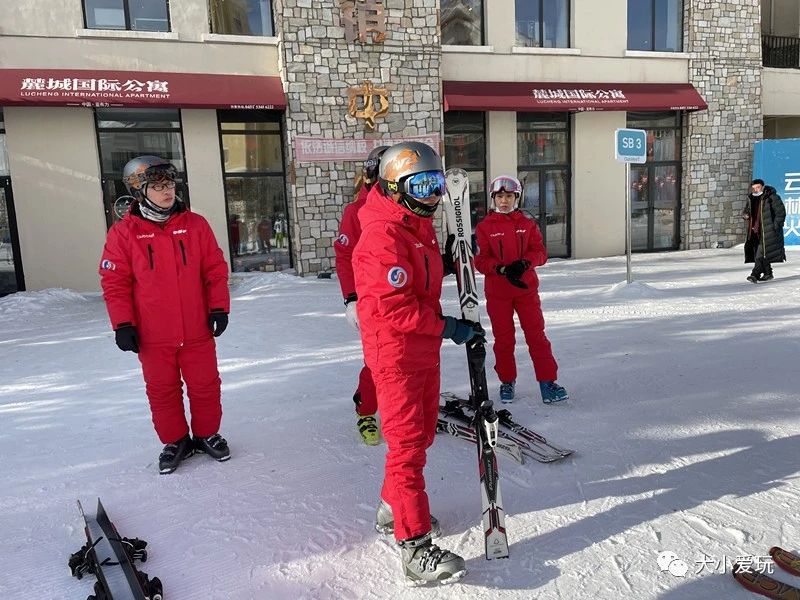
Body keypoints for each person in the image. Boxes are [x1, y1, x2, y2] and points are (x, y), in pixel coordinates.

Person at [352, 141, 481, 584]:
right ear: (394, 186)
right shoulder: (381, 236)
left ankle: (392, 508)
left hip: (421, 350)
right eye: (421, 185)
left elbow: (419, 277)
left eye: (436, 184)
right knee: (407, 448)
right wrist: (448, 327)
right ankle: (414, 547)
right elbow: (394, 307)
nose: (432, 195)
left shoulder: (414, 225)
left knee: (422, 435)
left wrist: (450, 259)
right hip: (397, 355)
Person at [99, 156, 231, 475]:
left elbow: (215, 269)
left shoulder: (195, 225)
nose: (167, 191)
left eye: (170, 184)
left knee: (205, 384)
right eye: (157, 186)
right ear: (139, 191)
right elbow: (115, 282)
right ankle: (175, 441)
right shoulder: (123, 233)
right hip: (152, 333)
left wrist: (218, 307)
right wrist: (123, 324)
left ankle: (206, 434)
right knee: (162, 389)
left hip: (196, 326)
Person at [474, 175, 568, 404]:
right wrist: (501, 269)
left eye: (509, 196)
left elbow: (540, 252)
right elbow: (481, 260)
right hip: (498, 293)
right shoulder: (485, 227)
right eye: (499, 197)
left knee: (537, 337)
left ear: (516, 197)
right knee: (503, 340)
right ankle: (507, 381)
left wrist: (525, 263)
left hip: (526, 291)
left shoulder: (527, 225)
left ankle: (548, 383)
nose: (504, 201)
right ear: (493, 198)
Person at [334, 146, 388, 446]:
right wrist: (351, 298)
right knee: (377, 361)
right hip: (372, 301)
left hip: (406, 299)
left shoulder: (409, 210)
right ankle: (366, 410)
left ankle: (406, 410)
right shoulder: (356, 212)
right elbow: (344, 256)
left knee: (410, 359)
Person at [743, 178, 786, 283]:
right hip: (754, 231)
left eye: (758, 187)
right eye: (754, 188)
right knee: (763, 253)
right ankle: (768, 273)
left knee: (760, 254)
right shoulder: (751, 198)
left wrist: (775, 227)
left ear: (763, 187)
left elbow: (781, 213)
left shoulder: (772, 197)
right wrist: (745, 215)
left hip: (768, 231)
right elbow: (747, 210)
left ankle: (755, 274)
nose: (756, 190)